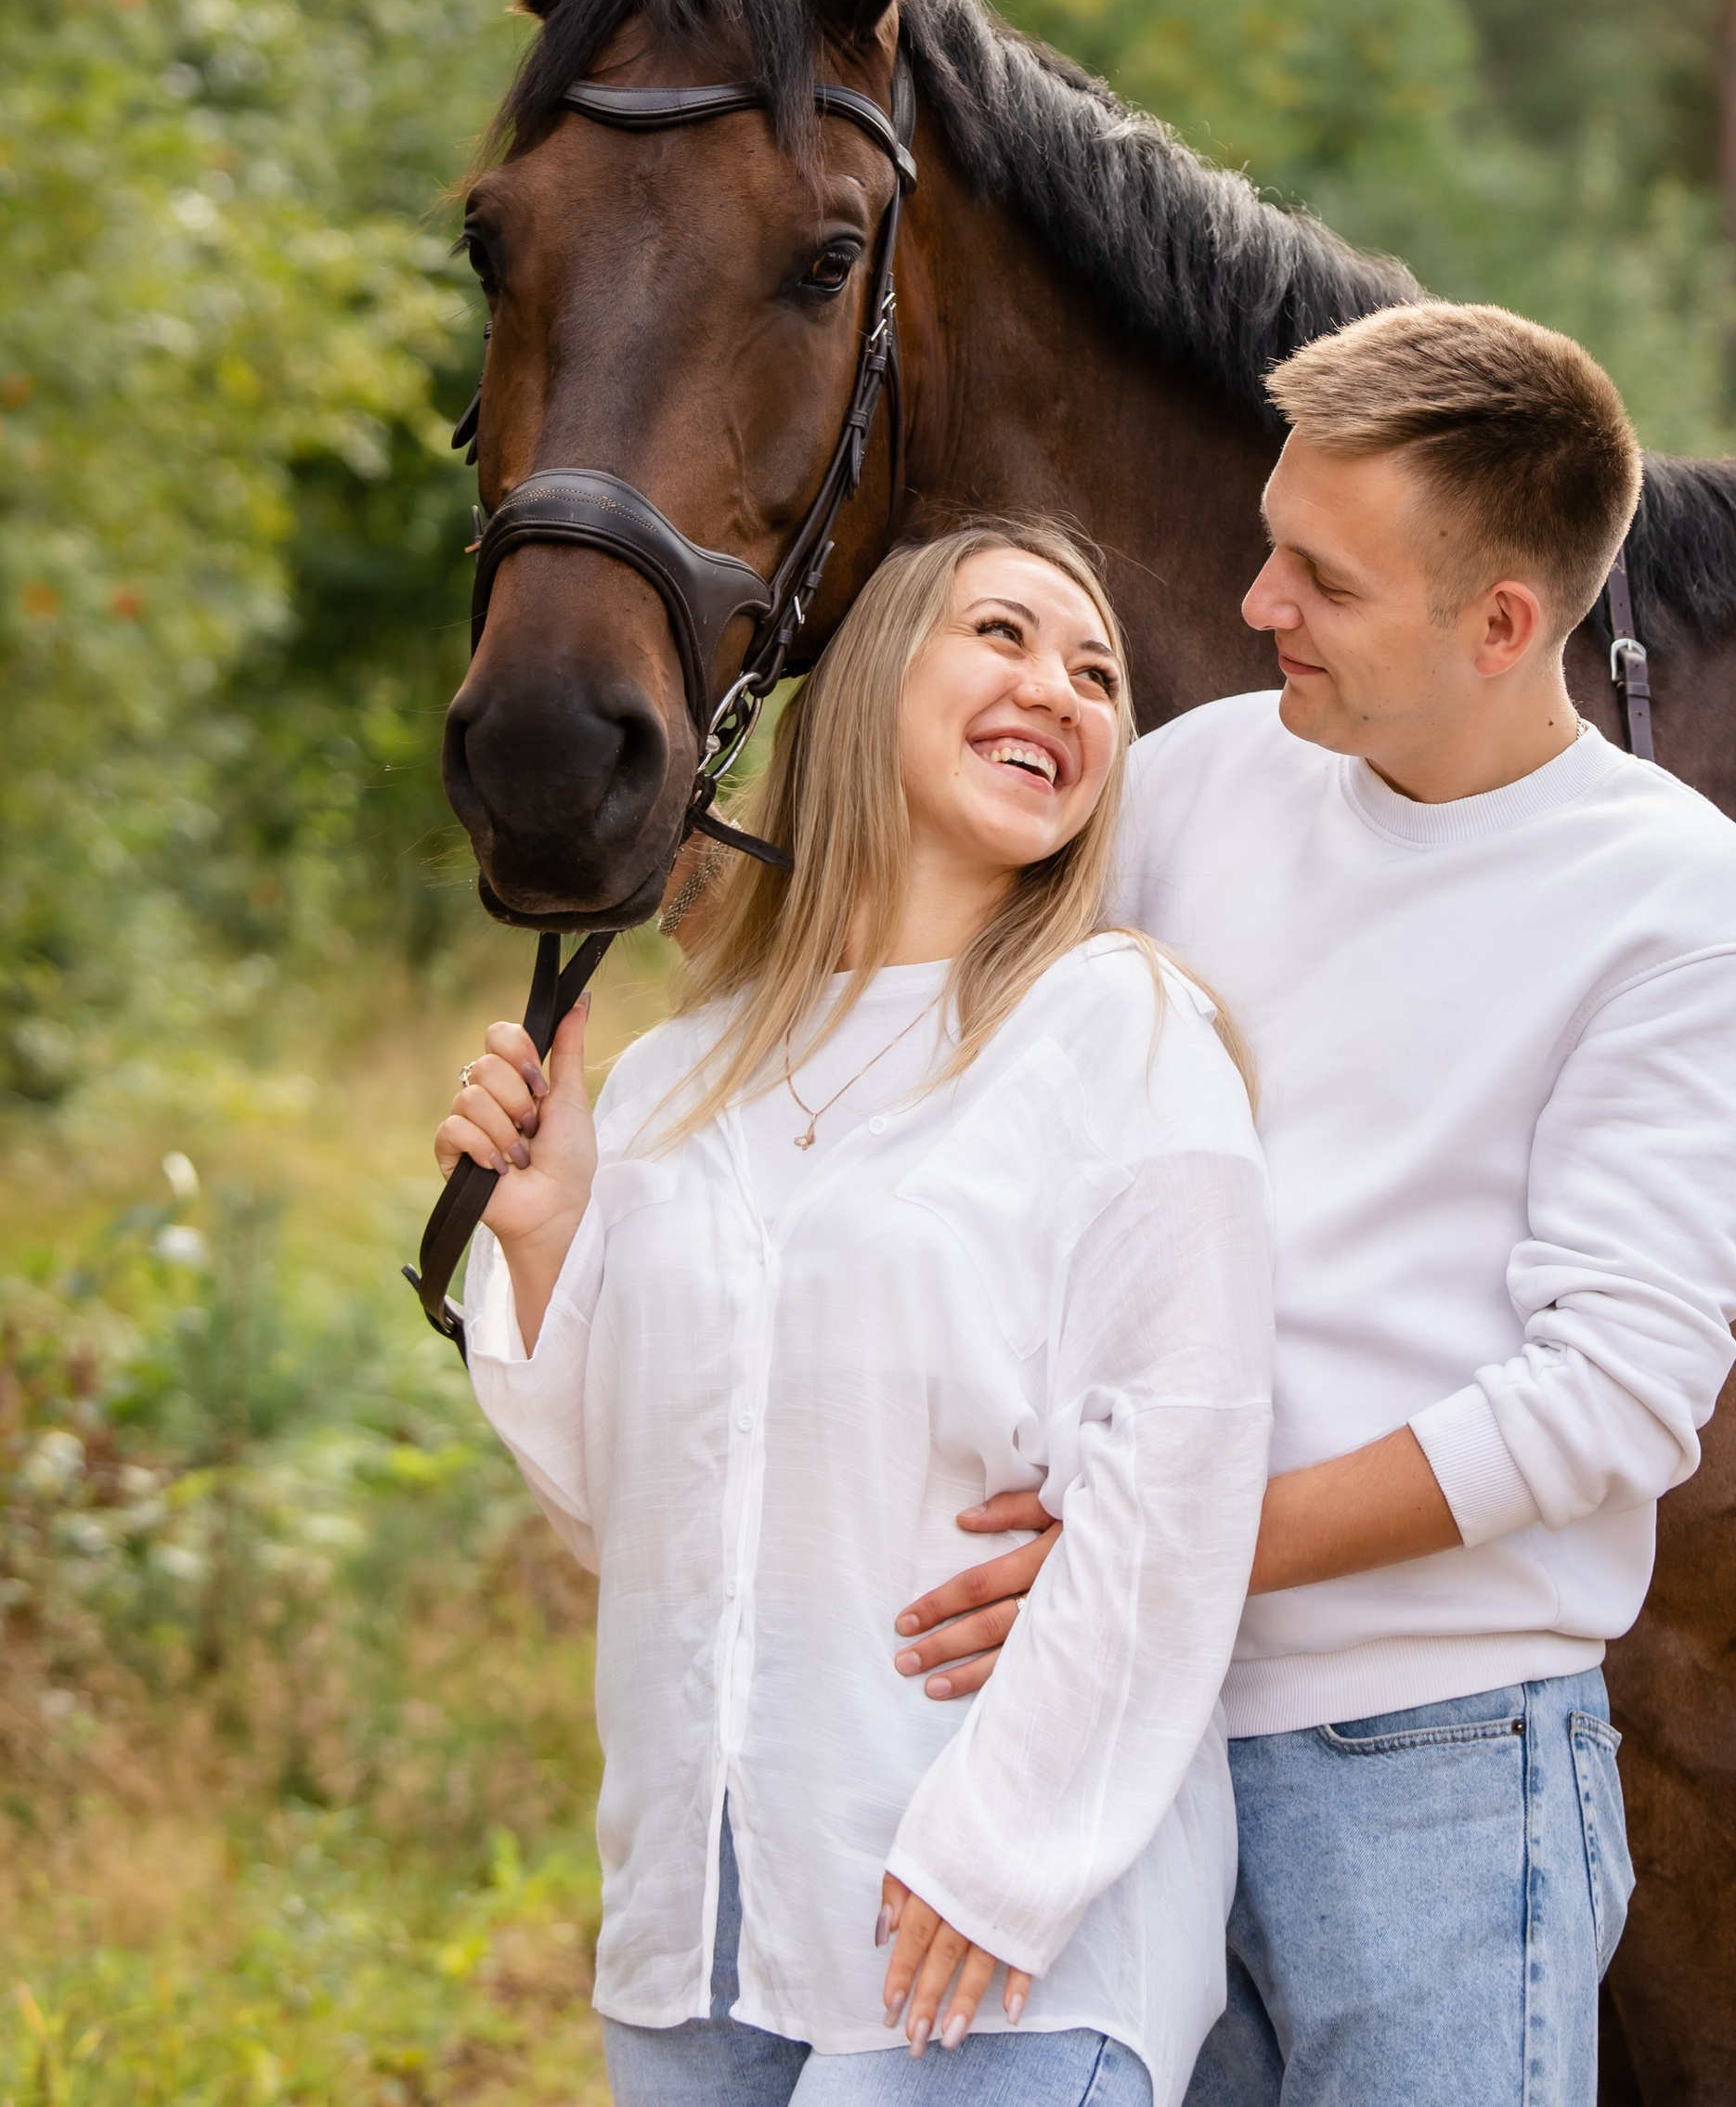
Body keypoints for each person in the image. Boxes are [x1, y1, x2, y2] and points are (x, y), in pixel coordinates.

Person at [887, 306, 1736, 2103]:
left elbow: (1613, 1397)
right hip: (1113, 1733)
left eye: (1321, 577)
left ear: (1500, 624)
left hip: (1435, 1765)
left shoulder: (1680, 916)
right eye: (1268, 545)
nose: (1254, 607)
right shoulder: (1192, 784)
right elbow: (964, 1087)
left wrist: (1161, 1554)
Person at [434, 520, 1273, 2107]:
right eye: (1005, 637)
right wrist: (544, 1242)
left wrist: (1001, 1859)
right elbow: (645, 1520)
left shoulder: (1117, 1028)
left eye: (1098, 672)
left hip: (987, 1938)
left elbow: (1177, 1483)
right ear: (873, 673)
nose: (1061, 690)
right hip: (696, 1931)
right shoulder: (684, 1076)